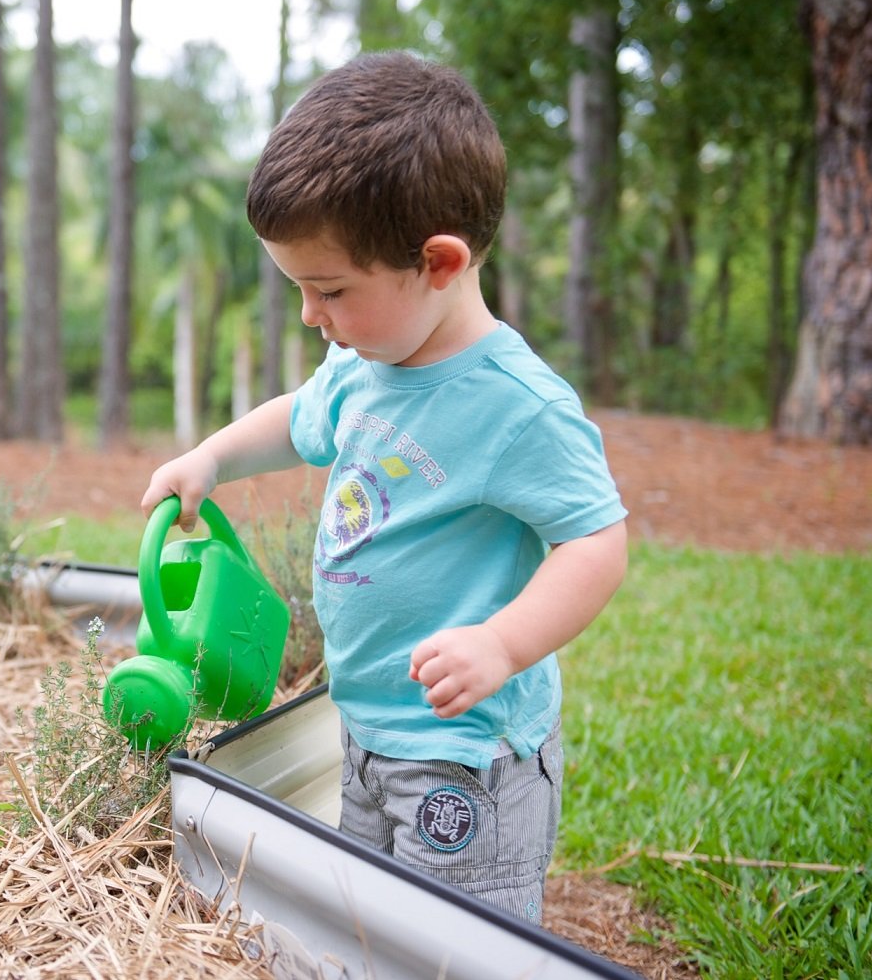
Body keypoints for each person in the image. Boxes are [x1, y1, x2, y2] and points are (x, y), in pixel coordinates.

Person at [140, 51, 629, 925]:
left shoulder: (516, 406)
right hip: (365, 727)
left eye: (329, 288)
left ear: (439, 263)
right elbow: (298, 419)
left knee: (452, 937)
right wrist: (211, 457)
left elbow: (596, 541)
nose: (308, 315)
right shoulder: (365, 363)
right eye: (299, 287)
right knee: (371, 918)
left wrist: (505, 645)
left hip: (465, 755)